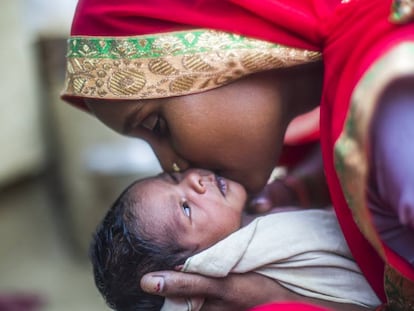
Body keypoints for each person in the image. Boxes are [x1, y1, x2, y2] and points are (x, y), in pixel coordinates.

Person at [60, 0, 414, 309]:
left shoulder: (389, 107)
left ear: (217, 49)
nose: (172, 165)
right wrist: (304, 187)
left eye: (156, 125)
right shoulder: (370, 48)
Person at [90, 169, 379, 311]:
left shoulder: (257, 213)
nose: (194, 180)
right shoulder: (231, 262)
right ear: (191, 268)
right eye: (186, 208)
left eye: (174, 176)